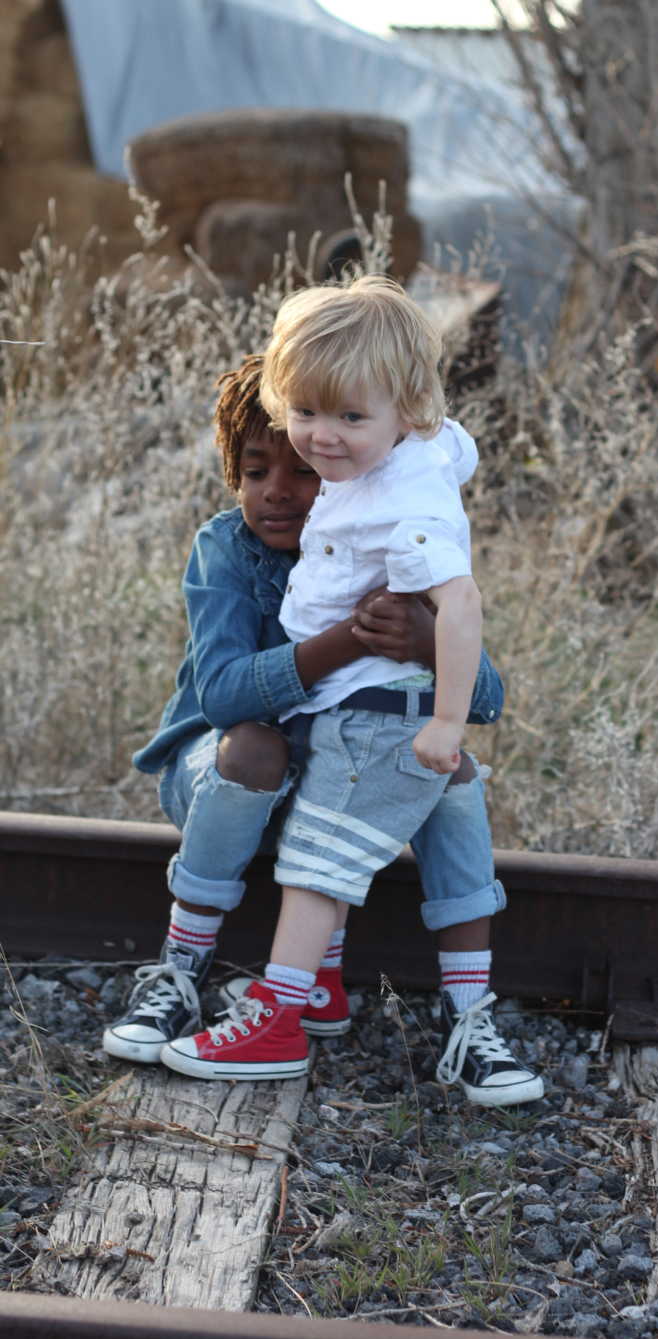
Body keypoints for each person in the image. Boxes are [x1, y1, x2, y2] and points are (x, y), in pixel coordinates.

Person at [105, 349, 542, 1105]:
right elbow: (224, 696)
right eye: (253, 472)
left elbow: (487, 697)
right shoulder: (226, 550)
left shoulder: (380, 532)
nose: (278, 493)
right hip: (224, 777)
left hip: (336, 782)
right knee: (259, 742)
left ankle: (469, 1017)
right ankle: (178, 972)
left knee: (454, 770)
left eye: (300, 473)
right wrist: (345, 641)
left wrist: (420, 643)